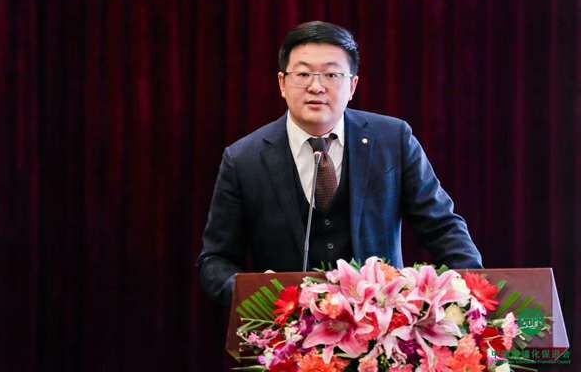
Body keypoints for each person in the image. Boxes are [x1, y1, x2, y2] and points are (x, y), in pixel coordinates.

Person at [197, 21, 482, 307]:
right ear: (282, 83)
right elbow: (216, 259)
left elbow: (442, 227)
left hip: (382, 322)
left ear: (352, 85)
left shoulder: (392, 140)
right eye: (303, 74)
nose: (316, 87)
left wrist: (471, 296)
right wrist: (256, 297)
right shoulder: (244, 159)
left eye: (331, 74)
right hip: (287, 325)